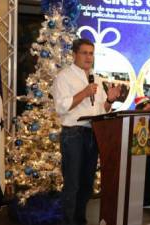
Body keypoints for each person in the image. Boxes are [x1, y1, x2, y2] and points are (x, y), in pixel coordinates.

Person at [52, 38, 120, 225]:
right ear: (74, 54)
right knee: (73, 183)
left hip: (93, 133)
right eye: (84, 53)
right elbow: (61, 107)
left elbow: (100, 110)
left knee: (87, 184)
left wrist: (110, 100)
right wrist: (84, 92)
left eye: (91, 53)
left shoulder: (96, 78)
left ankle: (80, 220)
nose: (89, 57)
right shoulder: (64, 77)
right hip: (73, 134)